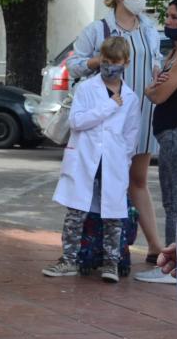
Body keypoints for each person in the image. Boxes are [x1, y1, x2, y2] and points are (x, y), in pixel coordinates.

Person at [67, 0, 164, 267]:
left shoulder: (148, 29)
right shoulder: (99, 29)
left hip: (143, 110)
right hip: (108, 115)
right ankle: (100, 250)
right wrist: (99, 61)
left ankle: (155, 246)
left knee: (138, 179)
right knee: (106, 183)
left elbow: (155, 59)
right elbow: (74, 63)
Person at [44, 37, 141, 283]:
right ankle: (68, 260)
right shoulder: (86, 88)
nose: (109, 67)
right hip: (86, 158)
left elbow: (131, 135)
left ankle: (111, 263)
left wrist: (123, 161)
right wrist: (108, 107)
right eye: (106, 62)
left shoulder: (130, 97)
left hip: (114, 160)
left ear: (125, 63)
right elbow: (77, 122)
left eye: (115, 62)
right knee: (76, 213)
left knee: (113, 214)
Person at [137, 0, 177, 284]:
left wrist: (151, 90)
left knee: (173, 200)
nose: (169, 21)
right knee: (170, 197)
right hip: (167, 134)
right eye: (168, 16)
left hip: (175, 134)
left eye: (175, 17)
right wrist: (153, 87)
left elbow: (158, 95)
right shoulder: (171, 55)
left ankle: (170, 266)